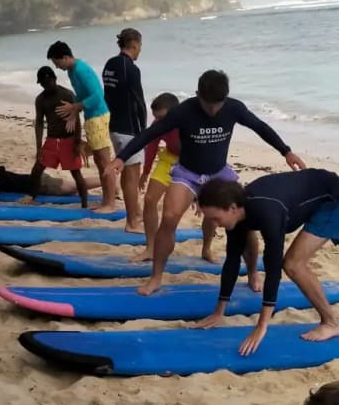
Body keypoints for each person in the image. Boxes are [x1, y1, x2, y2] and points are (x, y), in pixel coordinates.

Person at [106, 69, 306, 294]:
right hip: (188, 173)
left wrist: (286, 151)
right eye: (207, 105)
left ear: (225, 97)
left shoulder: (233, 108)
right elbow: (149, 134)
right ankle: (156, 277)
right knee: (169, 217)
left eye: (217, 105)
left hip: (219, 173)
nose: (212, 110)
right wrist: (121, 158)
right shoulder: (183, 111)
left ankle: (252, 273)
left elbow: (260, 127)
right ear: (197, 94)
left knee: (245, 221)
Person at [198, 169, 339, 354]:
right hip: (320, 198)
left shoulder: (267, 211)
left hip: (333, 199)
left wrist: (261, 326)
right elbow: (232, 261)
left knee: (293, 264)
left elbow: (273, 267)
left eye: (215, 218)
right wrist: (219, 312)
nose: (214, 224)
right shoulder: (237, 218)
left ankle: (331, 323)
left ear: (232, 208)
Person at [46, 40, 116, 211]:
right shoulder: (72, 72)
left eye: (57, 62)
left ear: (65, 57)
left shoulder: (81, 70)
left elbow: (97, 96)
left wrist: (75, 106)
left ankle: (110, 203)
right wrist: (73, 112)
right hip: (91, 117)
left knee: (105, 162)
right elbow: (81, 95)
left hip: (99, 116)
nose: (56, 67)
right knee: (98, 161)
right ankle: (106, 200)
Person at [102, 28, 146, 232]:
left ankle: (136, 214)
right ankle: (132, 222)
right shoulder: (131, 69)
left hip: (115, 125)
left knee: (128, 173)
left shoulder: (109, 64)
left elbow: (108, 96)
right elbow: (139, 101)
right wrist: (144, 130)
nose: (140, 50)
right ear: (134, 44)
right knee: (131, 177)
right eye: (140, 46)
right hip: (129, 129)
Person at [31, 66, 88, 206]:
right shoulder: (40, 99)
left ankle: (84, 204)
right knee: (36, 171)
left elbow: (77, 120)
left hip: (69, 140)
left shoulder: (67, 94)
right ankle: (32, 199)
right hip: (51, 140)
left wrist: (77, 142)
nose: (46, 86)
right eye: (43, 84)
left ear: (54, 79)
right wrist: (38, 147)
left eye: (48, 82)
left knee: (76, 173)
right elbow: (39, 123)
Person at [139, 92, 181, 260]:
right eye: (156, 117)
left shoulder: (188, 121)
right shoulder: (159, 123)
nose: (159, 121)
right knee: (149, 199)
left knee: (171, 209)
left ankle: (206, 248)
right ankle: (150, 247)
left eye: (162, 117)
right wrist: (145, 172)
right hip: (167, 160)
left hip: (189, 164)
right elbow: (151, 147)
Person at [0, 164, 99, 198]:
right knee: (72, 190)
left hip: (38, 183)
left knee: (74, 187)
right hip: (36, 185)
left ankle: (105, 181)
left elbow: (0, 170)